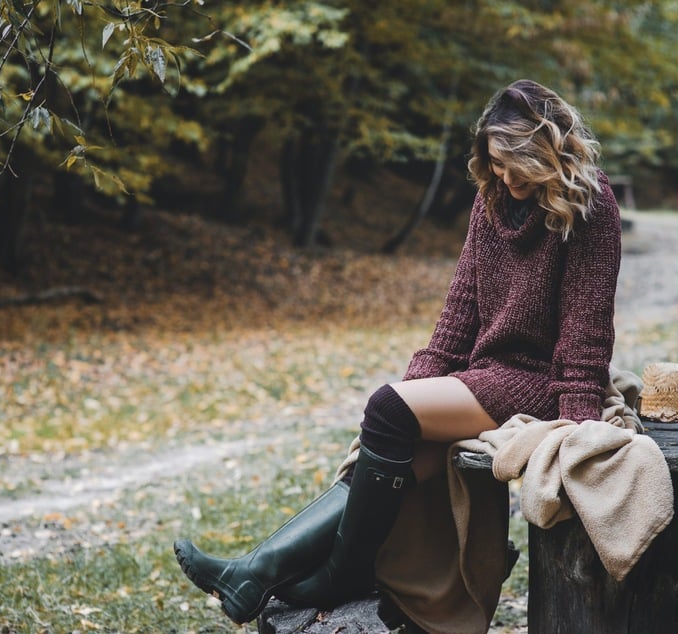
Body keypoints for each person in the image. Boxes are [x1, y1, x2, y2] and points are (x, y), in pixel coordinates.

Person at [173, 78, 622, 627]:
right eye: (495, 164)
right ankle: (255, 571)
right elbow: (458, 316)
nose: (504, 176)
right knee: (391, 448)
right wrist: (417, 388)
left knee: (387, 411)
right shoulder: (492, 205)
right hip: (487, 375)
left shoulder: (590, 204)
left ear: (542, 148)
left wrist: (578, 418)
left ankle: (342, 572)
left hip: (539, 383)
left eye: (513, 163)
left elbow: (587, 328)